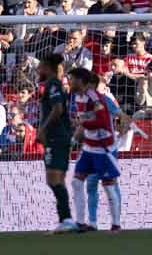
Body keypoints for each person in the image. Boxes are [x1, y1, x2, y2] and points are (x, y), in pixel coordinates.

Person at [68, 66, 123, 233]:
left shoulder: (96, 98)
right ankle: (81, 222)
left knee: (108, 185)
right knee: (77, 182)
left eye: (72, 79)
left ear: (80, 81)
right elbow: (84, 124)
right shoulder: (77, 97)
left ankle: (115, 224)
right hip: (89, 147)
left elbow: (101, 122)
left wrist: (82, 123)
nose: (69, 82)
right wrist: (72, 140)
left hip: (103, 147)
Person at [36, 53, 76, 233]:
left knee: (53, 179)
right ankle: (65, 219)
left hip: (56, 138)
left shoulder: (53, 84)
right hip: (59, 137)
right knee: (56, 179)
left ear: (47, 68)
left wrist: (42, 128)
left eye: (40, 66)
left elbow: (58, 108)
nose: (38, 70)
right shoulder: (54, 84)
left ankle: (66, 219)